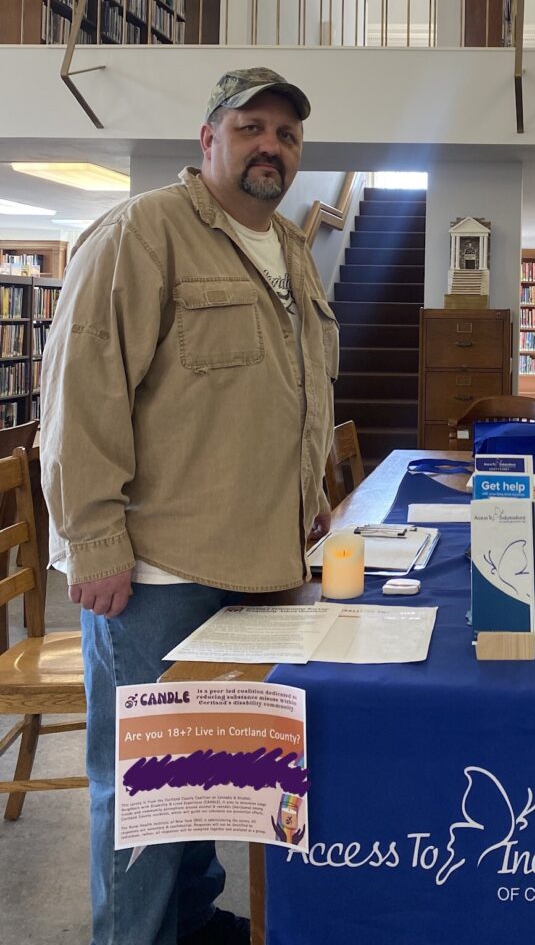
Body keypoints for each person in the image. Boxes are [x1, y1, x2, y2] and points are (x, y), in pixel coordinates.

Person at [41, 67, 339, 945]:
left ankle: (194, 916)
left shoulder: (288, 246)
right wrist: (92, 539)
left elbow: (295, 391)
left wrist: (311, 488)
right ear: (207, 140)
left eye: (285, 136)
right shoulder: (143, 233)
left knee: (215, 768)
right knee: (142, 791)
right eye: (251, 128)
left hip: (260, 565)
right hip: (158, 571)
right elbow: (81, 395)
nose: (269, 147)